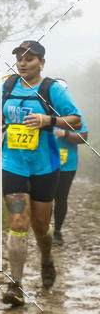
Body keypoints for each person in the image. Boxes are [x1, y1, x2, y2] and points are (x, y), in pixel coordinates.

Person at [1, 40, 81, 307]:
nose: (23, 63)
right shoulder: (8, 85)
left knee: (39, 226)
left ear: (42, 62)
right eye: (19, 58)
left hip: (44, 167)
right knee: (18, 222)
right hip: (13, 164)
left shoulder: (52, 89)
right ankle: (16, 285)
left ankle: (46, 258)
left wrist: (48, 121)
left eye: (29, 58)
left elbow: (76, 120)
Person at [52, 79, 89, 245]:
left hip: (67, 163)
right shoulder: (44, 111)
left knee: (61, 197)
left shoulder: (74, 114)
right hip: (44, 161)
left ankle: (57, 231)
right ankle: (43, 231)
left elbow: (84, 137)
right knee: (44, 198)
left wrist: (64, 134)